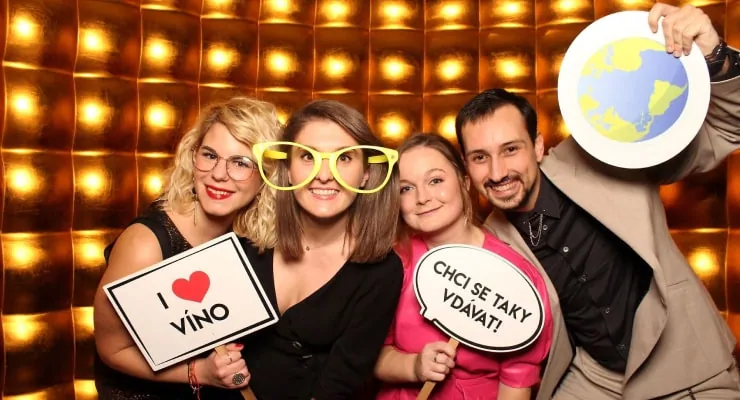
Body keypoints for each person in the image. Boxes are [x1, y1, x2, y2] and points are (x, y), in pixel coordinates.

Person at [454, 4, 740, 400]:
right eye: (480, 157)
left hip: (687, 365)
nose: (498, 171)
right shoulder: (488, 243)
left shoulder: (608, 149)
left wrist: (714, 54)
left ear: (538, 147)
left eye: (511, 149)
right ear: (467, 167)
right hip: (595, 380)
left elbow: (728, 127)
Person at [93, 96, 280, 399]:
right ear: (193, 157)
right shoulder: (145, 245)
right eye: (209, 155)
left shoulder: (248, 238)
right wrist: (200, 372)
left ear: (266, 175)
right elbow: (112, 350)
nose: (219, 174)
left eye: (240, 163)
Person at [229, 99, 404, 400]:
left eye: (344, 158)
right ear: (288, 168)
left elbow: (342, 380)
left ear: (366, 173)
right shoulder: (247, 240)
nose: (324, 174)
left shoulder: (381, 271)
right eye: (308, 157)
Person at [373, 133, 553, 399]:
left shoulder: (513, 274)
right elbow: (370, 355)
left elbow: (518, 376)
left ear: (464, 181)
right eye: (406, 188)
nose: (422, 197)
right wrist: (413, 366)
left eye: (435, 180)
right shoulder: (392, 264)